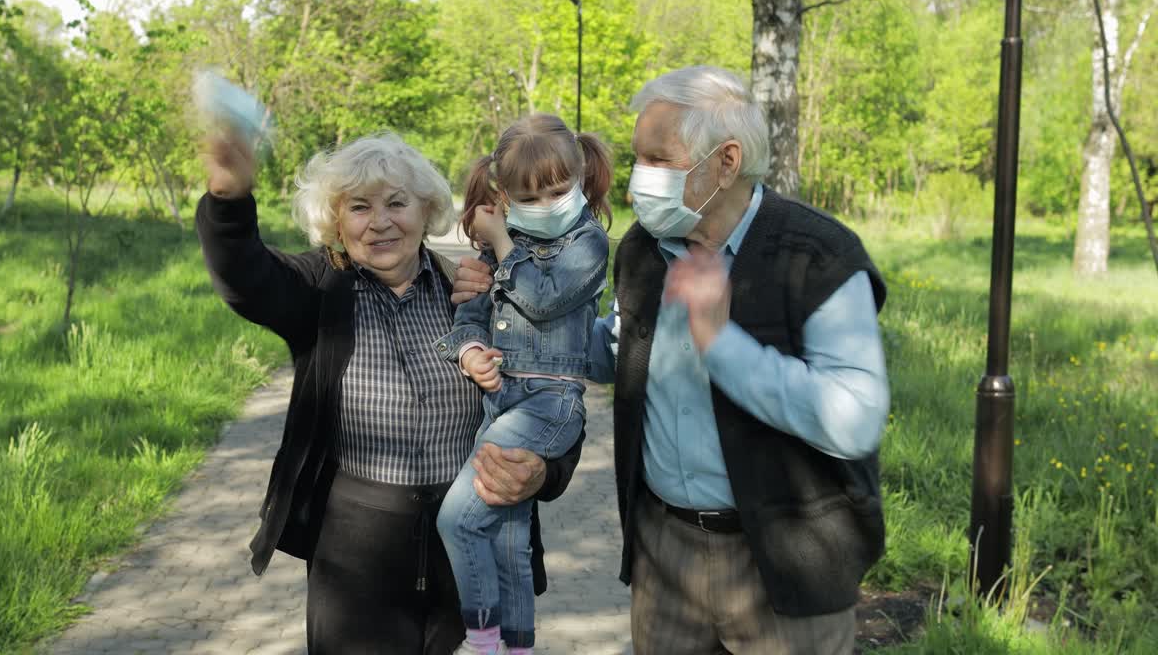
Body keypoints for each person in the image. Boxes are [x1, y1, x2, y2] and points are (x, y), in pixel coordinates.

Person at [452, 66, 890, 654]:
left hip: (785, 562)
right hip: (666, 558)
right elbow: (614, 351)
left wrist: (721, 342)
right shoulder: (643, 251)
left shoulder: (817, 257)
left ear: (726, 162)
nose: (636, 185)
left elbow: (854, 419)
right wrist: (501, 305)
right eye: (637, 160)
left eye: (659, 160)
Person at [195, 129, 586, 655]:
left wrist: (546, 472)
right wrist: (227, 199)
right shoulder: (319, 290)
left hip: (467, 551)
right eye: (359, 207)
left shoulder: (473, 292)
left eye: (397, 203)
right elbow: (245, 274)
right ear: (337, 223)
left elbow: (552, 388)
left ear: (425, 210)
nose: (380, 222)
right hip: (355, 559)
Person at [432, 114, 612, 655]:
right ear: (504, 194)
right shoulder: (493, 252)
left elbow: (543, 297)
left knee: (459, 519)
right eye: (530, 197)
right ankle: (515, 645)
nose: (549, 204)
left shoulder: (589, 243)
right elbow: (469, 317)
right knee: (509, 542)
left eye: (560, 191)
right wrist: (470, 354)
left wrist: (502, 241)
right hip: (500, 401)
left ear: (581, 179)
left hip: (549, 405)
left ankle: (481, 640)